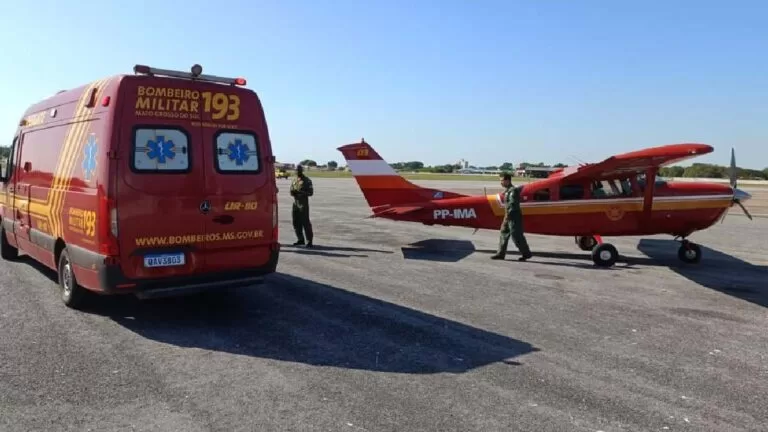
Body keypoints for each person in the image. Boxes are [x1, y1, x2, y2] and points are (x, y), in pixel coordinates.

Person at [491, 172, 533, 261]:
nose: (501, 182)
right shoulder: (508, 191)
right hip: (508, 216)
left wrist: (508, 215)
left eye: (502, 180)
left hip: (513, 216)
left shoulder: (513, 191)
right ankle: (500, 254)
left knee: (516, 236)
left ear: (507, 180)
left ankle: (526, 253)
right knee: (503, 234)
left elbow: (512, 205)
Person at [290, 164, 314, 247]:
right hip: (295, 204)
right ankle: (300, 239)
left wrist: (301, 193)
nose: (297, 171)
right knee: (296, 222)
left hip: (303, 204)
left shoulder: (307, 181)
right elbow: (291, 190)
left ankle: (309, 241)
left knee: (305, 222)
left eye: (299, 170)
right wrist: (292, 193)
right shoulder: (294, 180)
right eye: (296, 170)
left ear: (302, 170)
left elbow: (311, 193)